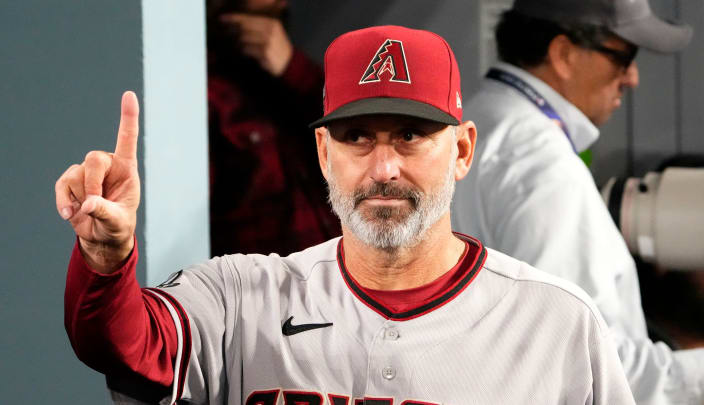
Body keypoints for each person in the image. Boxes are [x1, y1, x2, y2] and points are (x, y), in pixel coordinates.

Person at [56, 26, 635, 404]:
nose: (383, 167)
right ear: (324, 154)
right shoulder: (240, 296)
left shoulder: (558, 324)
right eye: (357, 137)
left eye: (410, 135)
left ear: (461, 151)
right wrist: (106, 258)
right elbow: (121, 346)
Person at [450, 0, 704, 403]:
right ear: (564, 54)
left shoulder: (478, 124)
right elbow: (584, 365)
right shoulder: (542, 166)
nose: (633, 77)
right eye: (624, 56)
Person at [207, 0, 339, 256]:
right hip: (260, 289)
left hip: (335, 280)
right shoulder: (204, 89)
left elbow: (356, 135)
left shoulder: (293, 72)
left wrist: (290, 64)